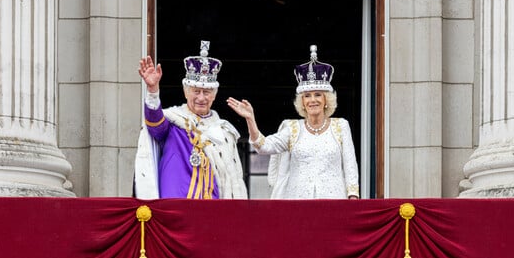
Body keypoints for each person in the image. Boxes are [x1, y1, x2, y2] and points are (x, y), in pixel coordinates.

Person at [227, 45, 359, 200]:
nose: (313, 100)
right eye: (307, 96)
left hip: (334, 203)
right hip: (298, 203)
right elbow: (263, 146)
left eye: (318, 95)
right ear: (302, 102)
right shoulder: (292, 129)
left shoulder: (341, 126)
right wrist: (250, 119)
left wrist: (353, 198)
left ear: (326, 100)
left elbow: (351, 167)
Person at [133, 40, 248, 199]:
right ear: (186, 92)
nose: (201, 97)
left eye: (206, 92)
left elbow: (231, 179)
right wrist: (153, 91)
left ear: (214, 96)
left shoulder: (223, 133)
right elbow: (154, 125)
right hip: (176, 207)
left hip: (211, 211)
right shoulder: (174, 123)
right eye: (196, 91)